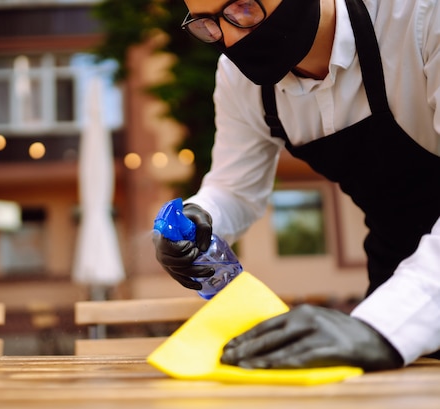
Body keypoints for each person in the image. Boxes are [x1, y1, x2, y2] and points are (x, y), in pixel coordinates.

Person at [153, 0, 440, 371]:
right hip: (391, 285)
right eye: (208, 24)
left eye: (242, 8)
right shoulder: (239, 79)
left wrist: (385, 326)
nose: (233, 38)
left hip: (404, 305)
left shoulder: (421, 17)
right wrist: (201, 217)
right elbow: (234, 189)